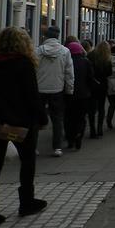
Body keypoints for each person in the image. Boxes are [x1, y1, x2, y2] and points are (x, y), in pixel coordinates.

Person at [0, 27, 49, 228]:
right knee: (27, 162)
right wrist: (42, 118)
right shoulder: (23, 63)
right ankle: (27, 201)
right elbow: (31, 95)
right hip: (21, 122)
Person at [35, 26, 74, 158]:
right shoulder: (65, 51)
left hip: (40, 88)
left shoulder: (38, 51)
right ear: (58, 36)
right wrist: (70, 89)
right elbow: (69, 73)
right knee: (57, 119)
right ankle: (57, 148)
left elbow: (33, 70)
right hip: (57, 88)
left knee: (36, 119)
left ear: (46, 36)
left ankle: (33, 147)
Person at [65, 42, 93, 150]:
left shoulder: (67, 61)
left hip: (69, 94)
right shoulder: (86, 62)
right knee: (81, 118)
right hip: (83, 94)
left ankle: (70, 139)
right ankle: (79, 134)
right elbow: (90, 77)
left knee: (69, 118)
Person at [87, 42, 112, 139]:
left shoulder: (90, 55)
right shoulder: (107, 59)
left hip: (92, 84)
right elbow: (109, 73)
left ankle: (92, 130)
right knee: (101, 108)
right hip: (103, 85)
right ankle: (100, 129)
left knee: (92, 109)